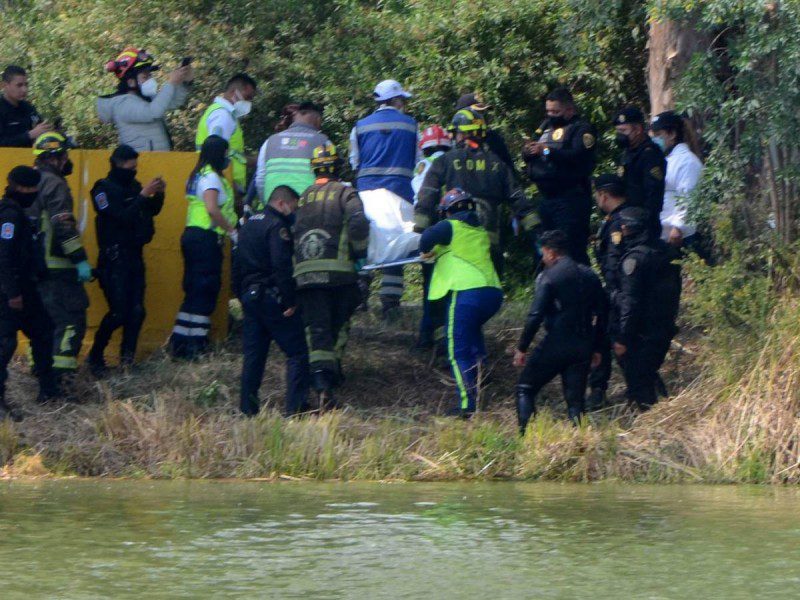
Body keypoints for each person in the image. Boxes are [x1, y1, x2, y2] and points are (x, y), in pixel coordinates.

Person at [416, 108, 537, 275]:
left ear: (460, 134)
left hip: (454, 242)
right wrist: (537, 230)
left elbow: (427, 196)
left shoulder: (445, 161)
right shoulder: (497, 164)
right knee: (488, 286)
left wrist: (420, 231)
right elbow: (517, 198)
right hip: (488, 245)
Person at [294, 143, 369, 408]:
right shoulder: (346, 194)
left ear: (313, 170)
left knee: (317, 329)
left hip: (305, 275)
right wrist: (361, 255)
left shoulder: (302, 198)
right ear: (338, 168)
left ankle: (321, 380)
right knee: (338, 324)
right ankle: (329, 375)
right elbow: (359, 222)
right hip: (339, 274)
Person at [419, 188, 504, 418]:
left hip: (467, 291)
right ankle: (482, 370)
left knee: (457, 349)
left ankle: (467, 405)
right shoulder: (478, 230)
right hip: (492, 293)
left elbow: (426, 238)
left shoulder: (450, 227)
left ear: (448, 211)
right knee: (472, 334)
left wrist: (426, 251)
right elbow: (456, 250)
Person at [513, 230, 606, 433]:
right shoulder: (590, 275)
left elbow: (535, 316)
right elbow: (603, 315)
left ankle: (528, 439)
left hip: (557, 342)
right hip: (583, 344)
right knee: (575, 402)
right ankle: (581, 443)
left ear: (552, 253)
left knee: (525, 388)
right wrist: (597, 347)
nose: (543, 258)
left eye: (543, 253)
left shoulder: (549, 277)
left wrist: (522, 348)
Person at [87, 145, 165, 374]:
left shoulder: (134, 186)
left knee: (137, 311)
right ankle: (95, 357)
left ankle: (127, 361)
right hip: (114, 258)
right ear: (117, 164)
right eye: (130, 166)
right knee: (118, 311)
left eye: (135, 166)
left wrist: (158, 194)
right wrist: (142, 196)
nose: (133, 170)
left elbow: (149, 211)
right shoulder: (102, 189)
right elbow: (120, 216)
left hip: (133, 256)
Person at [236, 185, 309, 417]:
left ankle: (248, 410)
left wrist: (241, 295)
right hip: (271, 297)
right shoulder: (277, 226)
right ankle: (295, 410)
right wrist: (289, 301)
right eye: (292, 206)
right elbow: (281, 266)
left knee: (253, 357)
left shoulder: (248, 224)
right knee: (297, 353)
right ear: (281, 203)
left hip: (250, 297)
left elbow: (236, 263)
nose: (292, 211)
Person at [349, 79, 419, 317]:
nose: (405, 105)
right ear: (396, 100)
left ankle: (359, 297)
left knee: (365, 244)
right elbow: (418, 161)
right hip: (400, 194)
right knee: (396, 248)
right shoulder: (411, 125)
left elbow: (355, 162)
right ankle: (390, 305)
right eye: (403, 100)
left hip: (367, 194)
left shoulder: (359, 126)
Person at [29, 132, 91, 379]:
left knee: (43, 322)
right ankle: (60, 379)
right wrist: (80, 260)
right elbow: (63, 226)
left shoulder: (29, 181)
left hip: (34, 268)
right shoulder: (54, 184)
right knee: (70, 320)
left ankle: (40, 370)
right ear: (55, 158)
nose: (67, 160)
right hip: (56, 269)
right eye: (65, 155)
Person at [0, 166, 60, 420]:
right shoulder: (9, 216)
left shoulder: (17, 213)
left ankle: (49, 390)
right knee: (5, 343)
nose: (33, 193)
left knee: (43, 330)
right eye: (30, 189)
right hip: (10, 290)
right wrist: (12, 292)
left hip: (24, 287)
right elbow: (3, 255)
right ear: (18, 188)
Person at [169, 135, 237, 358]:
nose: (227, 158)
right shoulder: (211, 178)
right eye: (225, 154)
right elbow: (212, 209)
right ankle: (196, 345)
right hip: (205, 239)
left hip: (194, 238)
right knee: (204, 289)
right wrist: (232, 231)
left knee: (194, 290)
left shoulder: (200, 174)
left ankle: (180, 344)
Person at [613, 207, 681, 411]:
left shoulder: (634, 260)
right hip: (664, 325)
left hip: (641, 333)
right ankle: (661, 408)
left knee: (639, 382)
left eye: (625, 229)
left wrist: (623, 337)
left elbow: (630, 303)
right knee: (648, 373)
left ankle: (652, 422)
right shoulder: (668, 252)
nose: (622, 232)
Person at [523, 87, 597, 264]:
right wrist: (529, 151)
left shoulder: (582, 129)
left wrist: (547, 151)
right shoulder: (545, 127)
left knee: (571, 249)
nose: (551, 115)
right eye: (548, 111)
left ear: (569, 110)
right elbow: (531, 149)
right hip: (547, 199)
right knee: (545, 250)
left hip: (571, 199)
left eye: (555, 111)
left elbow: (577, 156)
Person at [97, 48, 193, 152]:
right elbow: (153, 112)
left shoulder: (144, 100)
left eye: (150, 75)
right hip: (141, 165)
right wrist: (171, 83)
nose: (150, 79)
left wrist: (185, 82)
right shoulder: (123, 104)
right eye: (145, 76)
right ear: (131, 82)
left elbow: (174, 102)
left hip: (158, 162)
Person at [586, 174, 627, 410]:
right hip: (617, 292)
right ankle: (598, 389)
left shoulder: (618, 222)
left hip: (616, 293)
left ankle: (643, 387)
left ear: (604, 195)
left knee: (614, 340)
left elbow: (612, 264)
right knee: (602, 340)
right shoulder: (616, 218)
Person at [412, 125, 451, 349]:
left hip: (429, 229)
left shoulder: (422, 166)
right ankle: (446, 336)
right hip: (452, 229)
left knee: (430, 283)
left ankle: (426, 335)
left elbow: (418, 194)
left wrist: (420, 233)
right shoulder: (455, 162)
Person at [254, 101, 331, 212]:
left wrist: (267, 204)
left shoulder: (270, 142)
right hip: (308, 208)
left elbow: (260, 179)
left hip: (275, 208)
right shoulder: (323, 141)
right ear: (318, 120)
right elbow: (328, 180)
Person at [195, 73, 257, 195]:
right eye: (247, 97)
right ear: (234, 92)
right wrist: (232, 187)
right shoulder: (222, 116)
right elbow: (216, 155)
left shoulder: (222, 113)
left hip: (219, 185)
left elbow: (232, 153)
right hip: (223, 186)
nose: (249, 102)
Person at [649, 111, 704, 247]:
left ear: (672, 134)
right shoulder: (666, 159)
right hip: (663, 235)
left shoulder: (687, 161)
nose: (654, 140)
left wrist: (678, 227)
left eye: (658, 135)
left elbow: (688, 196)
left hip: (680, 237)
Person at [614, 106, 666, 237]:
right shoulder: (627, 153)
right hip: (626, 218)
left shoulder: (650, 154)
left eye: (623, 130)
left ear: (637, 129)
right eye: (618, 131)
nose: (620, 135)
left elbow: (653, 193)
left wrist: (644, 221)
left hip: (642, 223)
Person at [454, 92, 515, 174]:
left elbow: (507, 169)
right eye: (477, 112)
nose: (481, 117)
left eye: (483, 112)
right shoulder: (449, 140)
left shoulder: (493, 138)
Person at [0, 65, 51, 147]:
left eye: (26, 85)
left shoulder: (28, 108)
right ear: (4, 85)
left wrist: (49, 133)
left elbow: (41, 132)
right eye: (19, 85)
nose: (24, 89)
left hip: (28, 158)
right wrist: (29, 135)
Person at [412, 125, 452, 202]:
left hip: (428, 208)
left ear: (425, 149)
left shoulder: (423, 164)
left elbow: (419, 189)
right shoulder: (453, 161)